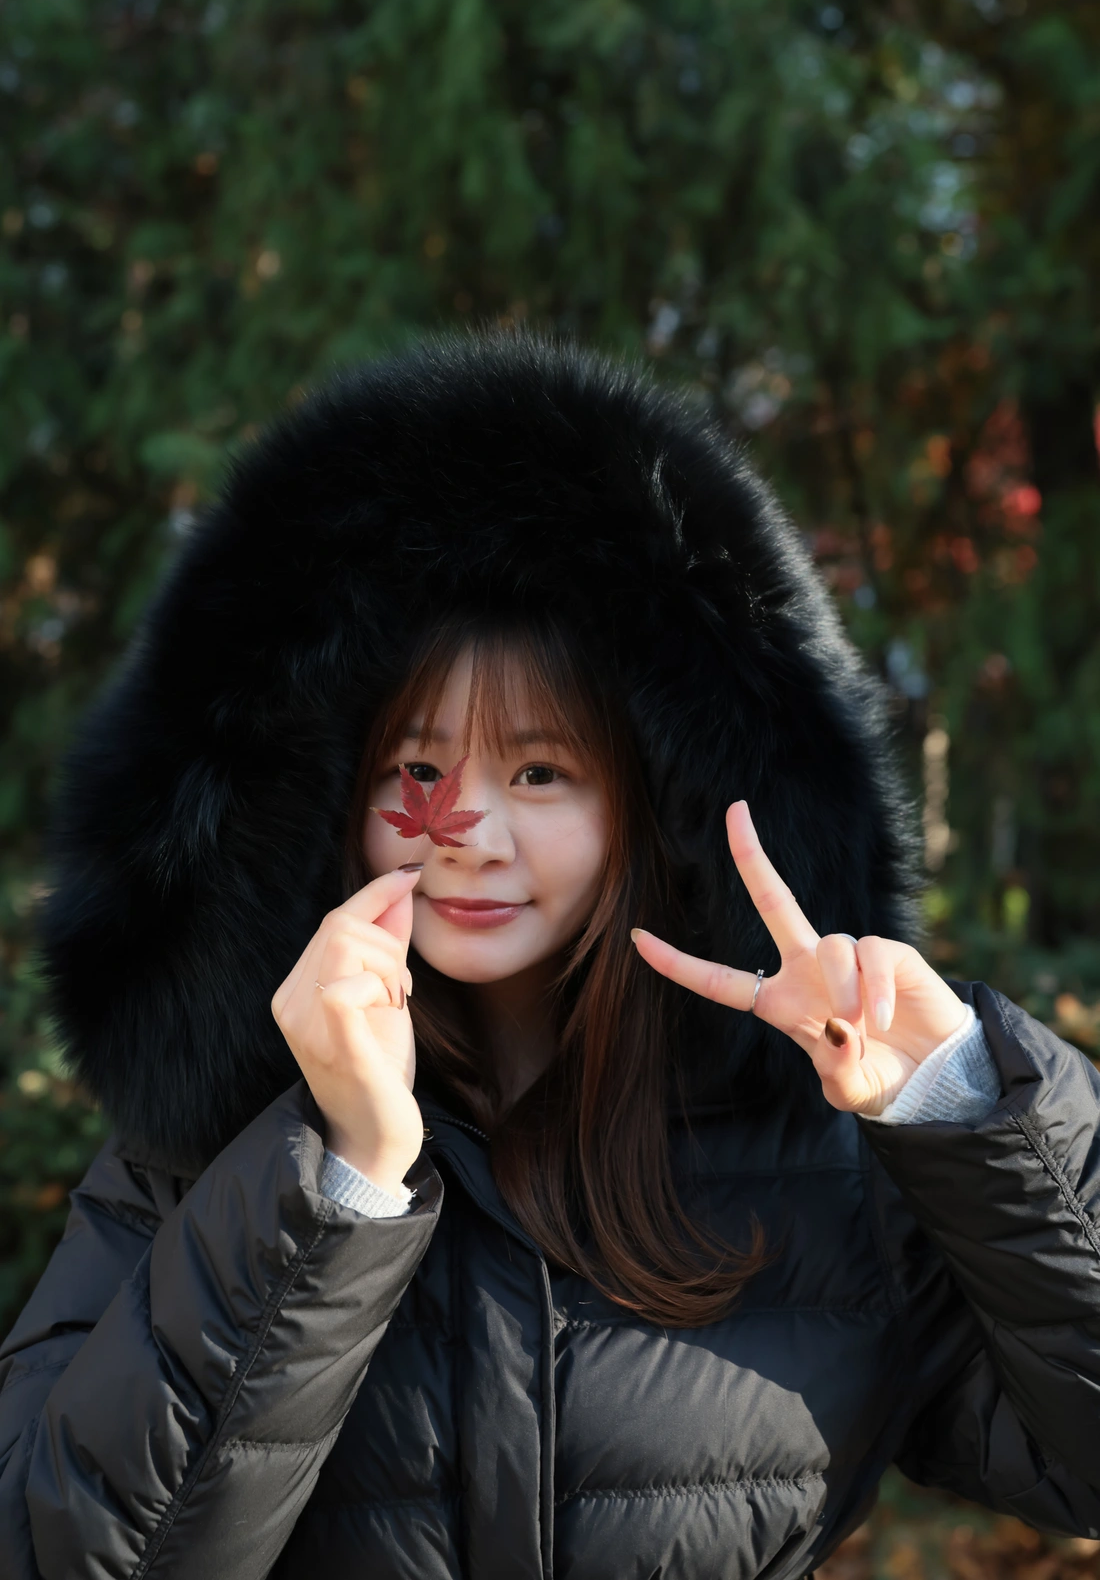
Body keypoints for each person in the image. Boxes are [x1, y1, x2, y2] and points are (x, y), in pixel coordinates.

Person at [1, 333, 1098, 1580]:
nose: (468, 832)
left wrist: (964, 1103)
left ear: (649, 806)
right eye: (416, 768)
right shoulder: (203, 1157)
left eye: (538, 771)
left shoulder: (822, 1154)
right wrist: (338, 1177)